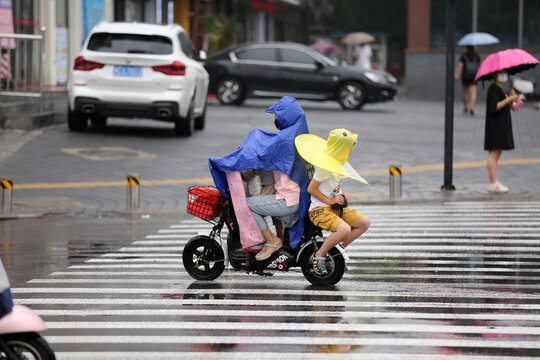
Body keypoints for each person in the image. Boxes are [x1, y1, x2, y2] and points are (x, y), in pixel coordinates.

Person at [209, 96, 311, 258]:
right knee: (265, 199)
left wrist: (227, 162)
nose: (275, 119)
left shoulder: (285, 140)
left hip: (289, 200)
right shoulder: (299, 137)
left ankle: (272, 241)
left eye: (277, 116)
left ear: (287, 116)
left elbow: (262, 146)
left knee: (247, 205)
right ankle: (278, 238)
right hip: (295, 196)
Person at [295, 129, 370, 275]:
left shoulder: (338, 163)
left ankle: (335, 251)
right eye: (351, 146)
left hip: (334, 207)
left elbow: (332, 187)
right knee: (344, 229)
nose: (353, 149)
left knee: (364, 223)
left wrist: (342, 194)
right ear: (344, 148)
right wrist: (330, 200)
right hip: (320, 210)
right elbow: (312, 189)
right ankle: (319, 255)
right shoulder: (325, 167)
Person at [484, 70, 520, 193]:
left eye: (505, 72)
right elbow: (494, 106)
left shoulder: (499, 90)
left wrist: (512, 98)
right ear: (494, 74)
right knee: (494, 154)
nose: (504, 75)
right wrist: (509, 99)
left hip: (500, 126)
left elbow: (512, 107)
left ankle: (494, 181)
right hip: (495, 126)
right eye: (501, 72)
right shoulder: (493, 89)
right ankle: (493, 183)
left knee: (496, 153)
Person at [455, 45, 481, 115]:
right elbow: (481, 65)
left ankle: (466, 107)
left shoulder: (463, 56)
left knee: (465, 92)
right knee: (473, 92)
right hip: (474, 76)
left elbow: (460, 65)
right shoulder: (476, 55)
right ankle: (472, 108)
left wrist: (456, 75)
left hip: (465, 76)